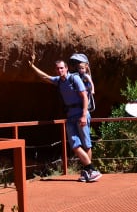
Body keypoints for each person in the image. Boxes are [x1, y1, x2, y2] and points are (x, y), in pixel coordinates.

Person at [29, 53, 102, 182]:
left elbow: (84, 96)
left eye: (62, 68)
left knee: (86, 145)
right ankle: (91, 169)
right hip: (70, 116)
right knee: (74, 145)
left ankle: (88, 172)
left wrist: (84, 115)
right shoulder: (58, 81)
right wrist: (32, 66)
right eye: (58, 69)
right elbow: (45, 77)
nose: (60, 70)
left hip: (81, 114)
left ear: (67, 68)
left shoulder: (74, 79)